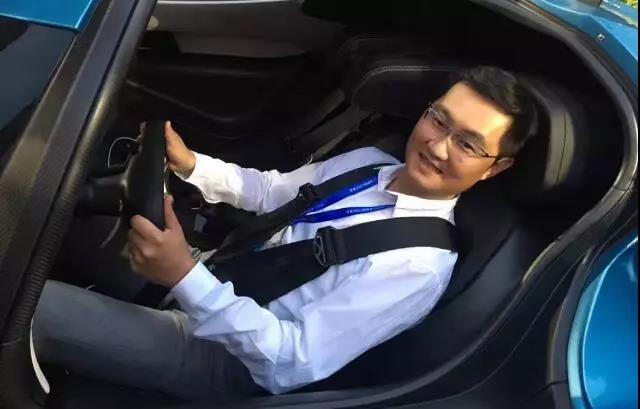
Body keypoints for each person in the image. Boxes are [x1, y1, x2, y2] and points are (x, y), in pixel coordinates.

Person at [33, 66, 538, 400]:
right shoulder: (368, 164)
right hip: (218, 275)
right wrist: (192, 165)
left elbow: (288, 363)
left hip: (226, 358)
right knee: (50, 215)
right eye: (438, 120)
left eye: (468, 144)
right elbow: (273, 192)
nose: (438, 146)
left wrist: (183, 277)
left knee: (30, 307)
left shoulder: (415, 266)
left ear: (496, 168)